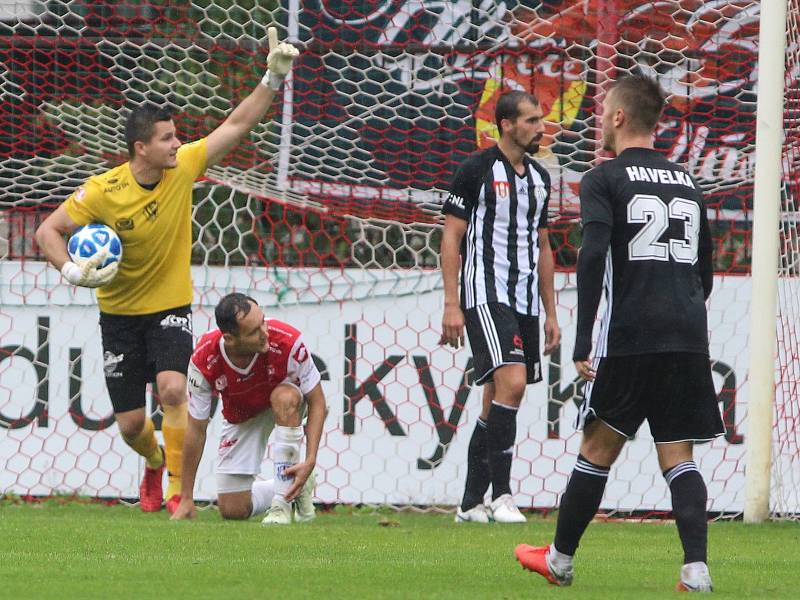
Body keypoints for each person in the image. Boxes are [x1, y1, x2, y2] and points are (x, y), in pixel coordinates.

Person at [35, 30, 299, 513]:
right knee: (133, 425)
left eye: (176, 135)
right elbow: (47, 232)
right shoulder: (102, 191)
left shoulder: (184, 167)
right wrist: (71, 270)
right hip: (117, 313)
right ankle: (155, 463)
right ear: (141, 148)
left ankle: (181, 493)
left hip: (170, 304)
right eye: (167, 138)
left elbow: (236, 125)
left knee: (173, 388)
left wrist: (273, 76)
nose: (178, 143)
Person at [514, 74, 724, 592]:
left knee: (597, 446)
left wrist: (584, 339)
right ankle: (695, 570)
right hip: (688, 333)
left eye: (601, 110)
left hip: (632, 332)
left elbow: (592, 257)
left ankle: (559, 560)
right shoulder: (689, 181)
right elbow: (706, 269)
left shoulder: (603, 179)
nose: (596, 119)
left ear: (618, 118)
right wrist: (684, 310)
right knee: (679, 454)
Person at [440, 91, 561, 524]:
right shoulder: (476, 169)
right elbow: (451, 237)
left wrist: (551, 312)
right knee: (513, 383)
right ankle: (503, 495)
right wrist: (452, 303)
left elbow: (543, 245)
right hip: (485, 292)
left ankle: (470, 503)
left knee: (496, 400)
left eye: (540, 120)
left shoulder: (541, 179)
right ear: (506, 124)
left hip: (526, 298)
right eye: (531, 120)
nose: (540, 128)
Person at [171, 293, 326, 524]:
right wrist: (186, 497)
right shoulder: (204, 359)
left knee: (284, 397)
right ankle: (297, 484)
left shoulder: (287, 341)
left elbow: (318, 402)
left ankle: (281, 506)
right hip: (242, 415)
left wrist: (311, 458)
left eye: (263, 321)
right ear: (230, 339)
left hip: (284, 401)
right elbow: (196, 428)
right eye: (254, 331)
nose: (265, 332)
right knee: (233, 510)